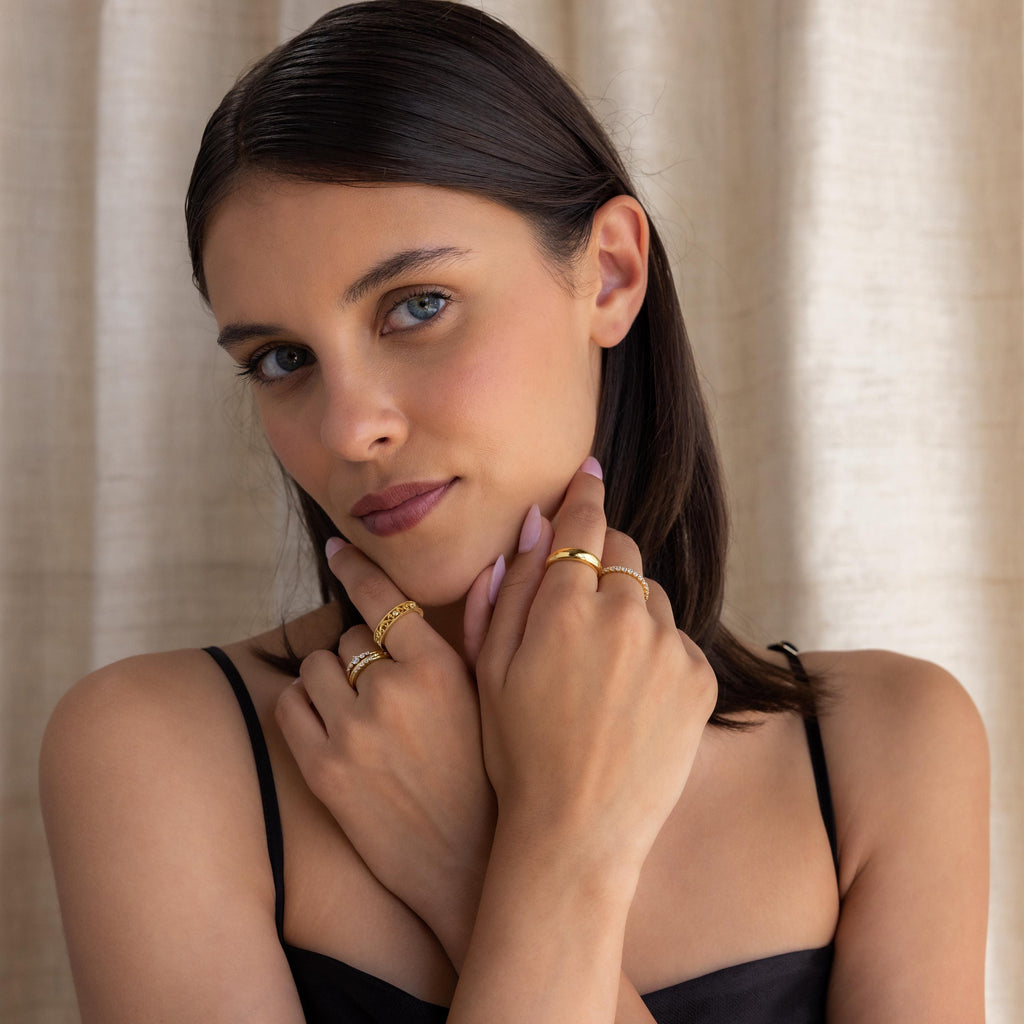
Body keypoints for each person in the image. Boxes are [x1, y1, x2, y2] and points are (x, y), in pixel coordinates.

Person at [39, 2, 989, 1021]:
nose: (352, 427)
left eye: (416, 305)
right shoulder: (163, 754)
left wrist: (483, 858)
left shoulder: (888, 748)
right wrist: (558, 855)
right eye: (283, 359)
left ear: (611, 273)